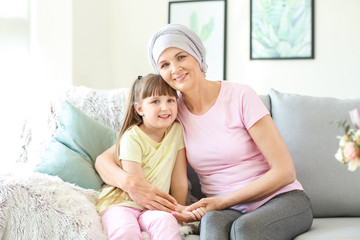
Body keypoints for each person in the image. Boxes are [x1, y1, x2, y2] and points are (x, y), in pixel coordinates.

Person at [95, 24, 313, 239]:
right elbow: (103, 160)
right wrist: (131, 183)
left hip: (281, 200)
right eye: (164, 64)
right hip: (223, 210)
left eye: (181, 57)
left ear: (197, 57)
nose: (175, 69)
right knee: (211, 228)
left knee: (244, 230)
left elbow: (285, 171)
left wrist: (222, 201)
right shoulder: (170, 111)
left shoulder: (240, 96)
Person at [96, 74, 194, 240]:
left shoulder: (176, 131)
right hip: (122, 203)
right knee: (125, 230)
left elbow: (179, 180)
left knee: (167, 224)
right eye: (155, 101)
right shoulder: (132, 137)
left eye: (170, 100)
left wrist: (177, 211)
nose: (165, 108)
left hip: (153, 207)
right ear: (139, 108)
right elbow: (138, 187)